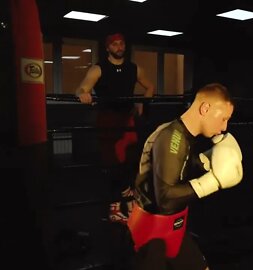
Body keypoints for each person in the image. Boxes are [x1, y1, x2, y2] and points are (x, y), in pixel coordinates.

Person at [127, 83, 243, 270]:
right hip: (151, 234)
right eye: (223, 119)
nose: (224, 127)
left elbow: (180, 167)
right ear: (205, 108)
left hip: (174, 227)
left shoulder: (185, 135)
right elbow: (165, 199)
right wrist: (214, 181)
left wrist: (206, 161)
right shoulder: (172, 137)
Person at [75, 32, 155, 224]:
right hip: (108, 120)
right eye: (115, 44)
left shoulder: (133, 68)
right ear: (108, 48)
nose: (119, 47)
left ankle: (129, 201)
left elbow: (150, 86)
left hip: (128, 120)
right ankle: (116, 207)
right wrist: (83, 94)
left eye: (122, 43)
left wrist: (143, 103)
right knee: (113, 163)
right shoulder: (99, 68)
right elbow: (81, 88)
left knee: (130, 160)